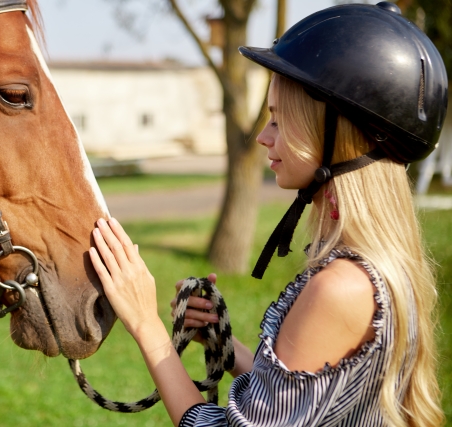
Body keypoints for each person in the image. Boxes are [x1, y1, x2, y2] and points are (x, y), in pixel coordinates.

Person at [88, 2, 447, 426]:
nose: (262, 137)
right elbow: (303, 402)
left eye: (278, 120)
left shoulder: (342, 287)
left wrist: (144, 322)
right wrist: (225, 343)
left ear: (334, 136)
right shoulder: (371, 268)